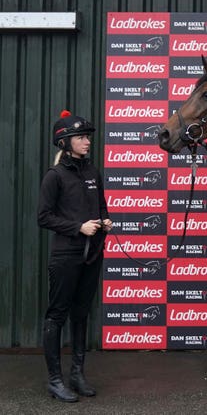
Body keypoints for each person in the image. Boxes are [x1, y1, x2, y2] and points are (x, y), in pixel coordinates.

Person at [37, 110, 112, 402]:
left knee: (81, 314)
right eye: (80, 137)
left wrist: (105, 221)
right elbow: (43, 217)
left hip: (91, 255)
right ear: (65, 142)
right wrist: (77, 227)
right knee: (57, 316)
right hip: (65, 256)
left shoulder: (93, 173)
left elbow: (102, 206)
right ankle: (55, 380)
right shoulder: (54, 176)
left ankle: (77, 375)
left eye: (87, 137)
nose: (87, 142)